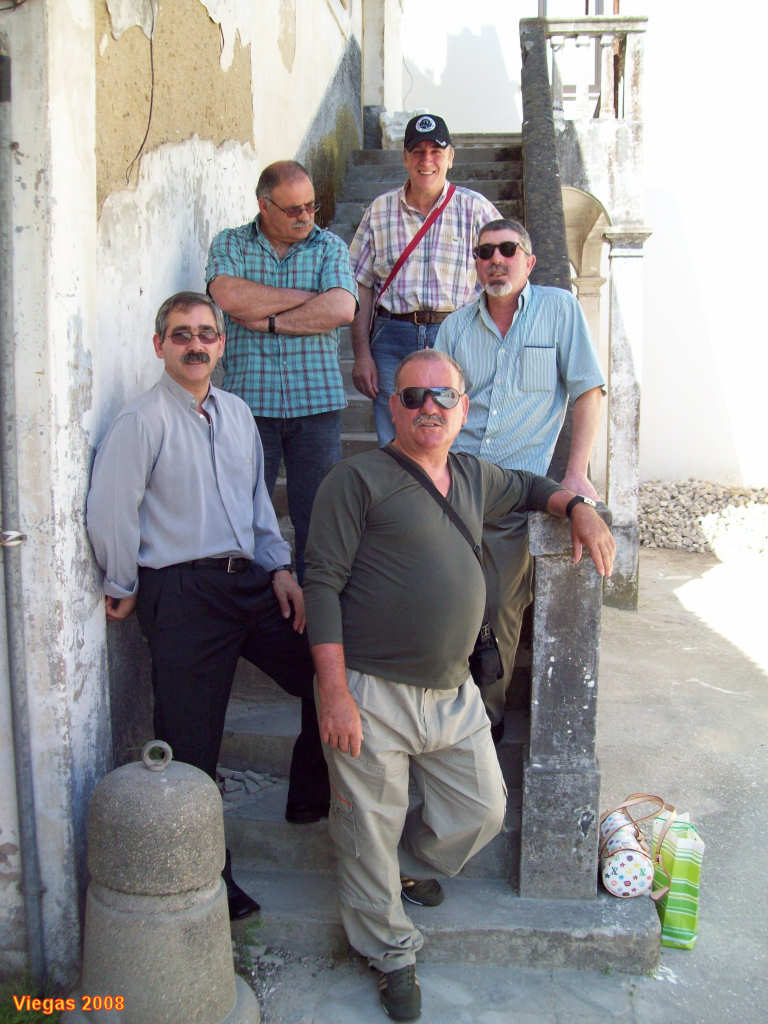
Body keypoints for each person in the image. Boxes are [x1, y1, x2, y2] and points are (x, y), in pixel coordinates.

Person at [303, 348, 614, 1021]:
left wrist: (579, 507)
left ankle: (412, 864)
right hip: (371, 690)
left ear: (463, 408)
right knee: (365, 829)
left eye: (443, 396)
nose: (430, 408)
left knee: (482, 810)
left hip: (453, 690)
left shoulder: (473, 475)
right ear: (393, 408)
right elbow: (321, 584)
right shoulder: (355, 480)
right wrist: (334, 693)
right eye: (413, 396)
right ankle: (391, 952)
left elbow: (530, 488)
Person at [86, 291, 330, 923]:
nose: (195, 344)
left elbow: (257, 503)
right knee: (191, 745)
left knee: (327, 673)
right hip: (182, 594)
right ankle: (208, 877)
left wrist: (280, 568)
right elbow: (111, 508)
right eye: (181, 334)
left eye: (205, 333)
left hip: (248, 584)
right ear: (159, 345)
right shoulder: (141, 420)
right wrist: (122, 583)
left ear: (221, 344)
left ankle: (311, 795)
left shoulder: (238, 413)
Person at [434, 218, 607, 740]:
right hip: (457, 482)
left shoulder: (559, 310)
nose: (495, 260)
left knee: (501, 607)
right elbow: (439, 406)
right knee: (438, 598)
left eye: (508, 250)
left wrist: (575, 472)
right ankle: (436, 714)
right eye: (485, 252)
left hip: (517, 491)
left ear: (529, 262)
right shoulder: (455, 328)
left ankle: (486, 722)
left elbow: (587, 390)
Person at [206, 160, 358, 579]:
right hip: (249, 407)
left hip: (317, 405)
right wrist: (308, 297)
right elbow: (228, 296)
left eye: (311, 206)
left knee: (319, 520)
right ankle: (255, 604)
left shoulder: (329, 246)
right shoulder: (231, 243)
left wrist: (269, 320)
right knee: (243, 515)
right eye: (293, 209)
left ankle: (315, 606)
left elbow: (342, 307)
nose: (305, 217)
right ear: (264, 205)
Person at [348, 114, 500, 445]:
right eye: (417, 151)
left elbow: (504, 276)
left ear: (451, 157)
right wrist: (362, 354)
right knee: (395, 438)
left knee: (457, 436)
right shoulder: (379, 211)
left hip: (457, 333)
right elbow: (360, 285)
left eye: (436, 151)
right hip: (392, 337)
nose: (426, 160)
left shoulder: (476, 210)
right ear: (405, 158)